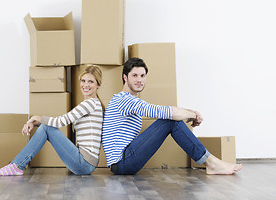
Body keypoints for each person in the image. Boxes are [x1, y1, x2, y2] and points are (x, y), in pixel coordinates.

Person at [102, 57, 242, 175]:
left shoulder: (128, 100)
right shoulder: (124, 100)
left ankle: (211, 163)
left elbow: (168, 112)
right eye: (135, 75)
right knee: (170, 120)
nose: (139, 80)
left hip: (124, 162)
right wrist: (192, 114)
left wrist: (189, 112)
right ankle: (211, 163)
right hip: (122, 162)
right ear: (125, 77)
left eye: (142, 76)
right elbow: (168, 113)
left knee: (171, 119)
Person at [0, 65, 104, 176]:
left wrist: (35, 117)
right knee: (46, 127)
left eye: (91, 82)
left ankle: (17, 166)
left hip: (84, 164)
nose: (85, 85)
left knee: (47, 127)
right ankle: (16, 166)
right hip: (84, 163)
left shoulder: (90, 104)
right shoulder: (93, 104)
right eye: (83, 80)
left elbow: (60, 122)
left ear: (98, 84)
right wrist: (36, 123)